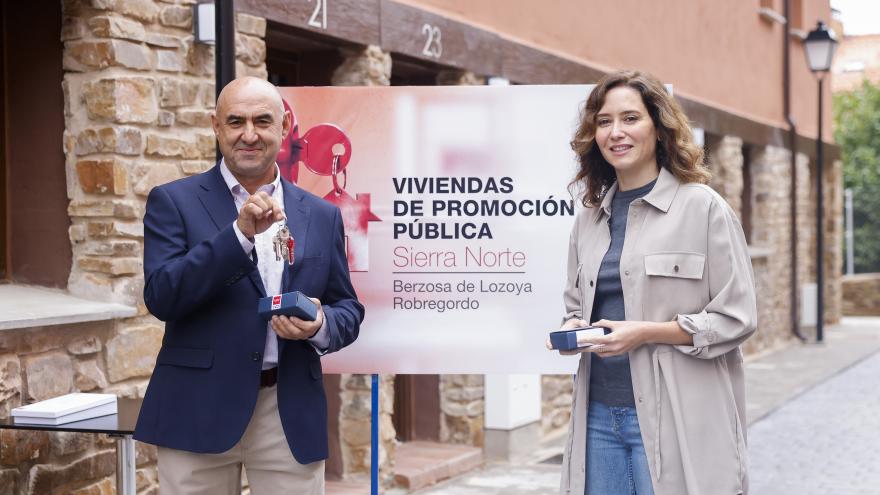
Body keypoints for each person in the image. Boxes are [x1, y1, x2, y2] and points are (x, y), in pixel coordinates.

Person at [134, 77, 364, 494]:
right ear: (216, 127)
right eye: (235, 121)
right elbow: (163, 295)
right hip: (196, 408)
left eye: (262, 120)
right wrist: (238, 237)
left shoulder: (321, 214)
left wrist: (319, 324)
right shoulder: (173, 201)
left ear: (285, 125)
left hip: (287, 408)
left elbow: (347, 309)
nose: (249, 134)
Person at [552, 70, 757, 495]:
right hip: (598, 418)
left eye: (630, 118)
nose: (616, 132)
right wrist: (575, 330)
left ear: (659, 127)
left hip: (678, 418)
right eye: (604, 121)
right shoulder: (588, 221)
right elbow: (577, 306)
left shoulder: (703, 208)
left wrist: (646, 333)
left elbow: (737, 317)